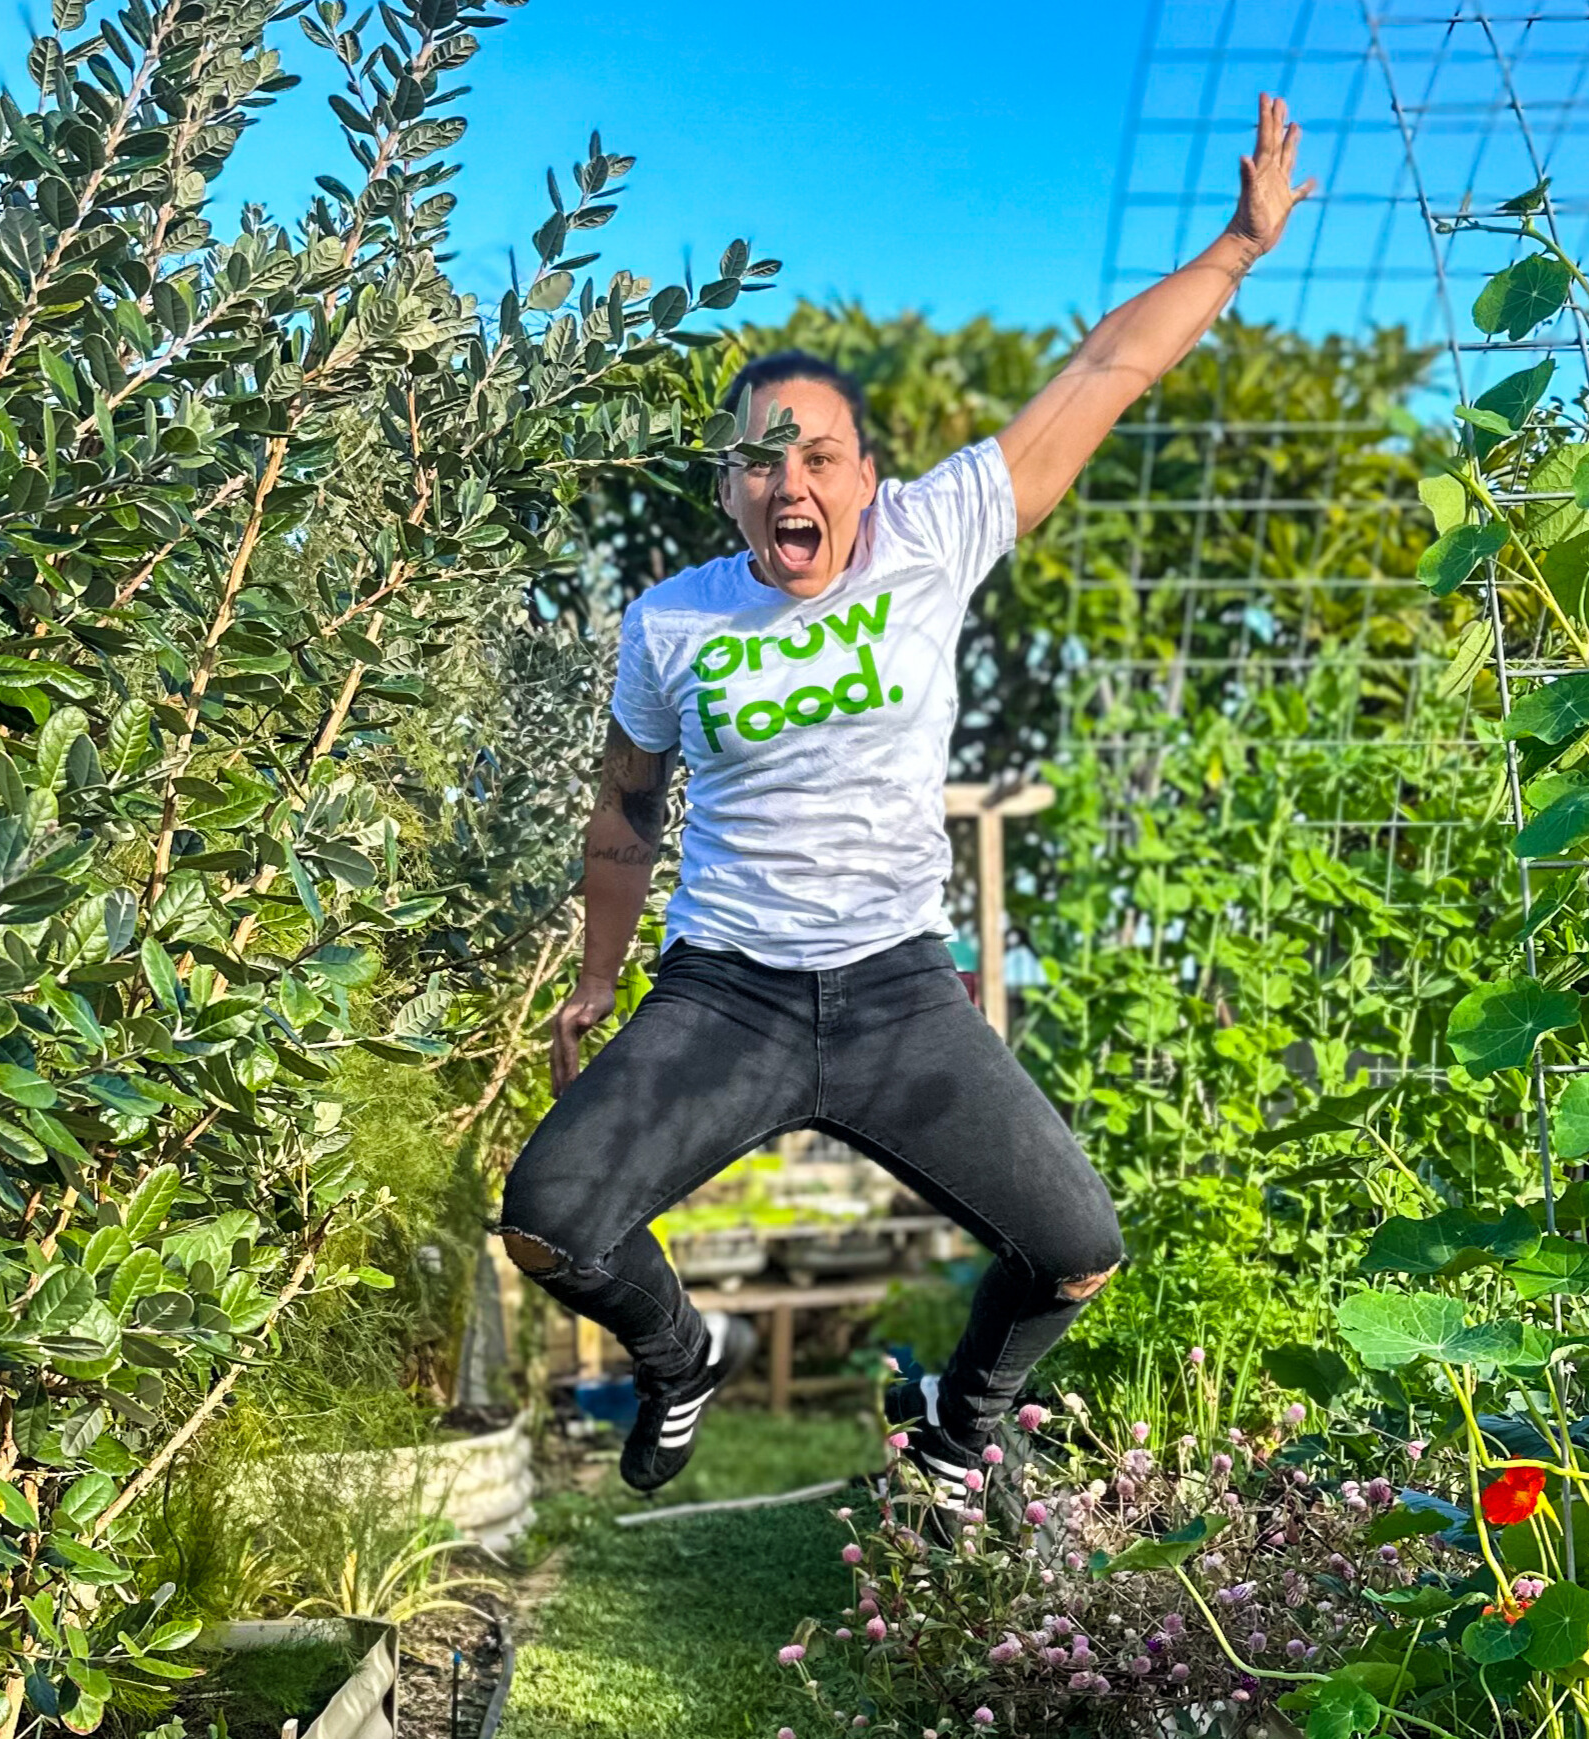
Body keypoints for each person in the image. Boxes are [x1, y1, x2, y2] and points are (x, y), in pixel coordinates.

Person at [498, 96, 1315, 1527]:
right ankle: (681, 1356)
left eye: (819, 454)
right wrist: (596, 980)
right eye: (762, 458)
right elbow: (623, 817)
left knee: (1075, 1247)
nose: (790, 480)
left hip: (895, 996)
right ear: (733, 485)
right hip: (725, 998)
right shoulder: (672, 622)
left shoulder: (935, 537)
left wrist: (1239, 249)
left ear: (867, 475)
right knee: (551, 1220)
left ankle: (960, 1426)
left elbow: (1107, 367)